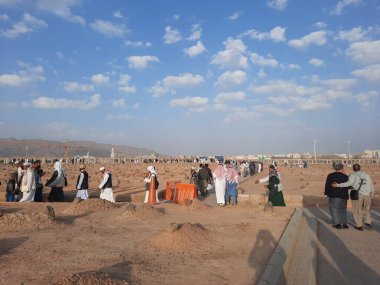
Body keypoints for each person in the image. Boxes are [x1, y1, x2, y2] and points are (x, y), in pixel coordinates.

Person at [332, 164, 374, 231]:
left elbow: (348, 184)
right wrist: (372, 194)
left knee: (357, 210)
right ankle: (368, 222)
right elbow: (371, 185)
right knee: (367, 209)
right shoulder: (367, 175)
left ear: (353, 169)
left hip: (358, 195)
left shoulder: (353, 175)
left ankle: (359, 226)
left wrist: (338, 185)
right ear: (360, 168)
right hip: (367, 195)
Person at [324, 163, 350, 229]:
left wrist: (326, 193)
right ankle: (344, 224)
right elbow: (349, 186)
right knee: (343, 209)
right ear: (342, 168)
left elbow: (327, 185)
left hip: (333, 195)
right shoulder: (346, 176)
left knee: (334, 209)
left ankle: (337, 224)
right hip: (343, 195)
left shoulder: (330, 175)